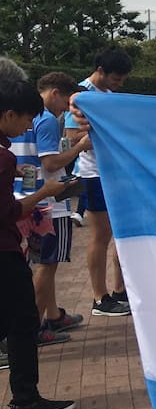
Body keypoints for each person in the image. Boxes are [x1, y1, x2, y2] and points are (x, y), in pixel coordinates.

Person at [0, 78, 76, 409]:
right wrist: (44, 193)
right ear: (9, 114)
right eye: (26, 118)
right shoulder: (2, 157)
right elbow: (8, 212)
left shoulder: (4, 156)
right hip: (4, 251)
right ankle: (26, 399)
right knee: (23, 322)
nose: (29, 125)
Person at [13, 73, 90, 341]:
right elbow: (51, 164)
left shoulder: (22, 116)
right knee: (48, 265)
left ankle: (54, 315)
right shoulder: (44, 119)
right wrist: (80, 146)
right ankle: (33, 327)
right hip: (48, 203)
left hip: (25, 198)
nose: (66, 110)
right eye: (66, 103)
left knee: (45, 263)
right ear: (55, 93)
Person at [64, 48, 133, 317]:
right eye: (116, 79)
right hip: (94, 174)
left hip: (114, 174)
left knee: (118, 233)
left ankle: (118, 291)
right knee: (100, 236)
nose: (120, 84)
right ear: (101, 70)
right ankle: (98, 297)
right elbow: (72, 138)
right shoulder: (81, 96)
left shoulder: (108, 97)